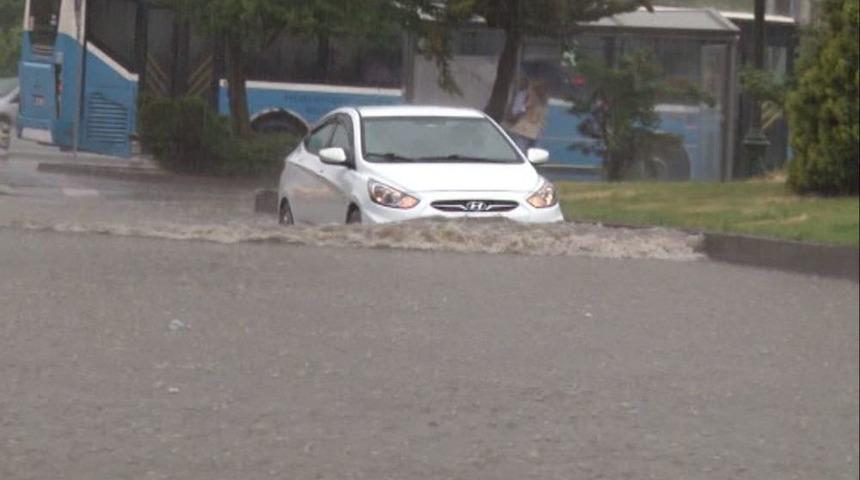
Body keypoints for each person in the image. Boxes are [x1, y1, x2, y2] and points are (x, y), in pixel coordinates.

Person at [508, 80, 549, 152]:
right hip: (522, 131)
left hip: (536, 134)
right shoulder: (525, 95)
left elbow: (543, 118)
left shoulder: (544, 100)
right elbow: (515, 111)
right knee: (519, 152)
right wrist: (526, 105)